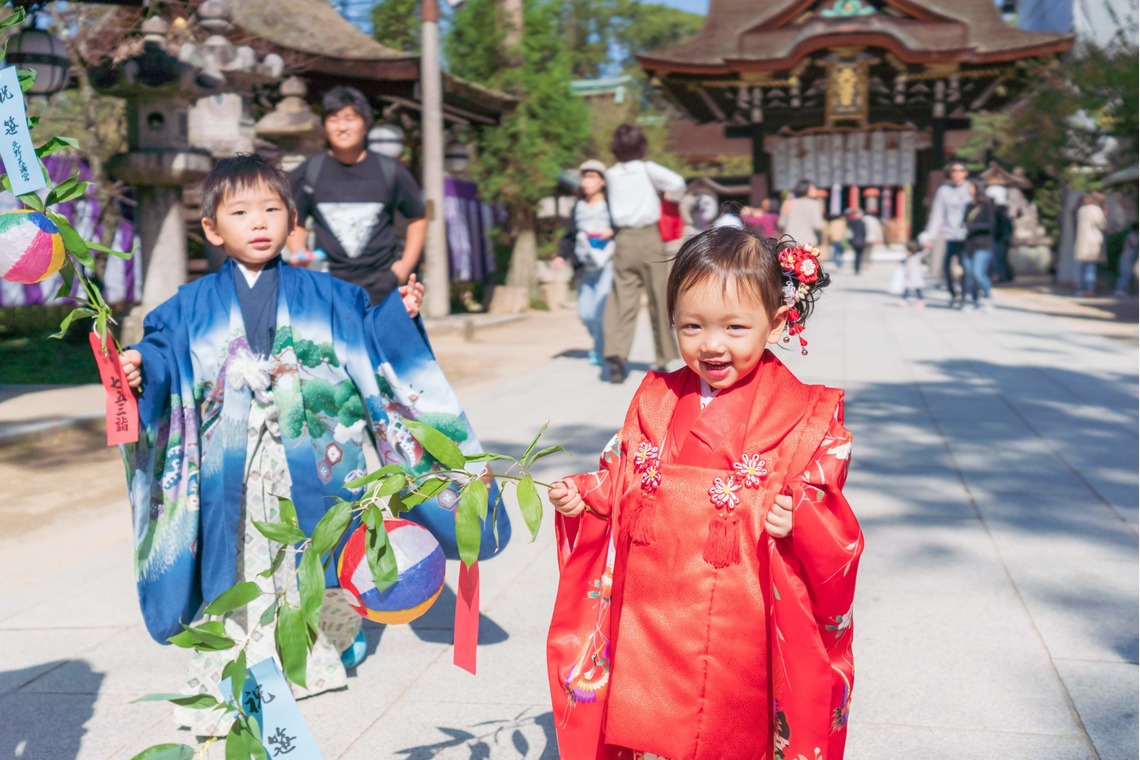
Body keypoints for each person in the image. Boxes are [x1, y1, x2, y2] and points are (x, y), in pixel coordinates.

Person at [117, 155, 495, 735]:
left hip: (310, 459)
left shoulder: (332, 296)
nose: (259, 223)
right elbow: (165, 354)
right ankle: (236, 658)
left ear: (294, 219)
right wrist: (143, 364)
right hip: (233, 465)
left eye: (272, 210)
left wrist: (399, 317)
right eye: (241, 213)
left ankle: (314, 656)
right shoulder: (186, 307)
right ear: (213, 229)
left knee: (314, 552)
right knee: (238, 560)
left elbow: (373, 346)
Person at [545, 226, 863, 760]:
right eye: (691, 326)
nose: (711, 345)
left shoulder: (807, 414)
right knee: (648, 723)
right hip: (655, 603)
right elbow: (621, 472)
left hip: (744, 607)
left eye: (735, 327)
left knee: (731, 728)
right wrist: (586, 494)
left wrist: (801, 516)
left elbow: (828, 507)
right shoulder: (657, 398)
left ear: (778, 322)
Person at [286, 86, 427, 305]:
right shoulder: (309, 172)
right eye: (333, 119)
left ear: (365, 124)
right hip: (328, 288)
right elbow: (295, 219)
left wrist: (404, 267)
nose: (342, 127)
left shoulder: (391, 171)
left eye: (350, 118)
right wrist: (299, 251)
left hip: (382, 287)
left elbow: (417, 217)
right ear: (324, 125)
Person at [602, 123, 687, 383]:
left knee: (621, 300)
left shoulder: (611, 174)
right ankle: (663, 357)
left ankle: (616, 354)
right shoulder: (648, 169)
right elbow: (677, 183)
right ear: (641, 145)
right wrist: (671, 197)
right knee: (658, 298)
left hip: (624, 239)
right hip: (650, 238)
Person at [558, 159, 616, 366]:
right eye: (584, 177)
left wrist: (611, 232)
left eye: (591, 177)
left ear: (602, 181)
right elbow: (569, 234)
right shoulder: (579, 206)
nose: (586, 181)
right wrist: (560, 255)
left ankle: (599, 349)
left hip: (607, 264)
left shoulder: (611, 205)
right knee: (585, 314)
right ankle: (600, 342)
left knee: (599, 312)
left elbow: (621, 228)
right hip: (585, 266)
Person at [921, 160, 973, 308]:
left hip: (967, 235)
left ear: (966, 173)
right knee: (947, 267)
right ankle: (953, 293)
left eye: (960, 170)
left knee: (966, 267)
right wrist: (929, 234)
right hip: (949, 234)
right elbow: (937, 214)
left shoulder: (971, 189)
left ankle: (965, 293)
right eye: (954, 170)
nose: (957, 174)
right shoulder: (944, 190)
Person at [963, 179, 996, 310]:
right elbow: (964, 221)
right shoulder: (968, 205)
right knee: (969, 273)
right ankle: (972, 298)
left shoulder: (987, 206)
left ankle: (987, 296)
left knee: (978, 272)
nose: (968, 189)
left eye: (970, 187)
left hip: (983, 244)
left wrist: (972, 227)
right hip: (969, 244)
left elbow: (990, 225)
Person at [1074, 191, 1107, 297]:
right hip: (1093, 242)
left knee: (1083, 268)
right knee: (1090, 268)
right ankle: (1089, 289)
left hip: (1083, 242)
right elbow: (1102, 224)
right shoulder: (1095, 210)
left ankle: (1081, 289)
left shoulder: (1081, 210)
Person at [778, 178, 824, 246]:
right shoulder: (814, 204)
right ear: (806, 190)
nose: (815, 191)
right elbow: (817, 225)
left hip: (789, 242)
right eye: (813, 189)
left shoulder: (788, 203)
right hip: (807, 243)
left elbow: (781, 223)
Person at [899, 239, 927, 307]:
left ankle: (920, 300)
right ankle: (904, 299)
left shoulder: (916, 257)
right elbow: (903, 262)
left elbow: (923, 253)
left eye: (908, 250)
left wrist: (925, 246)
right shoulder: (907, 258)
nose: (906, 252)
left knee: (918, 289)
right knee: (907, 288)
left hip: (916, 276)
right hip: (909, 276)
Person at [1113, 224, 1138, 296]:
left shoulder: (1132, 235)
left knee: (1126, 274)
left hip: (1128, 257)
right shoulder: (1132, 235)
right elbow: (1133, 244)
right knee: (1125, 274)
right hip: (1127, 257)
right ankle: (1119, 289)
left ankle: (1121, 289)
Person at [846, 207, 868, 274]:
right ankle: (857, 268)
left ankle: (856, 268)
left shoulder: (852, 221)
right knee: (859, 255)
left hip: (854, 240)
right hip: (861, 240)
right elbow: (864, 232)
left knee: (856, 255)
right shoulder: (862, 222)